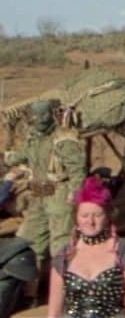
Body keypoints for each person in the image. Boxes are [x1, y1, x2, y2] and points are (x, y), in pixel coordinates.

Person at [8, 100, 86, 278]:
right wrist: (6, 158)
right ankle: (30, 288)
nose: (41, 119)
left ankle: (68, 285)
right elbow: (19, 156)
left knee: (61, 244)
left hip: (59, 196)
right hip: (38, 197)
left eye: (44, 114)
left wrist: (74, 195)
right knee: (26, 241)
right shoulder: (33, 139)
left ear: (52, 115)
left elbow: (77, 170)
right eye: (37, 115)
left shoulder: (63, 140)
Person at [47, 176, 125, 318]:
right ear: (76, 218)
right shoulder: (64, 256)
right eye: (84, 215)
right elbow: (53, 313)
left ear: (108, 216)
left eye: (97, 215)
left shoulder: (124, 252)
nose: (90, 221)